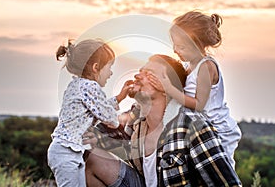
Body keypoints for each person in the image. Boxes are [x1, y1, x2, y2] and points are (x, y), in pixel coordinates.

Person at [85, 54, 242, 187]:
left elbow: (228, 183)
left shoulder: (192, 126)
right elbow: (91, 130)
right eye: (140, 71)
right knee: (92, 159)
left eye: (149, 73)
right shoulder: (135, 121)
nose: (137, 76)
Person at [147, 11, 241, 169]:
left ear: (197, 45)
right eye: (174, 45)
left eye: (181, 47)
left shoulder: (205, 67)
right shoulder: (187, 65)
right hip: (199, 127)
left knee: (220, 169)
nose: (176, 50)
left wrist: (168, 88)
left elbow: (199, 104)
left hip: (218, 128)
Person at [47, 39, 133, 187]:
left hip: (69, 152)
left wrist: (119, 98)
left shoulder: (78, 85)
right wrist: (120, 122)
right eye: (109, 67)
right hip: (67, 153)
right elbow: (108, 117)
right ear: (95, 67)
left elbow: (99, 107)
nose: (111, 73)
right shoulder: (89, 87)